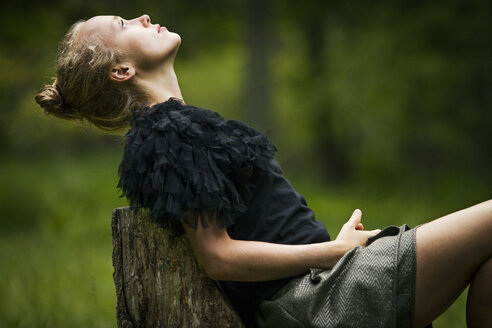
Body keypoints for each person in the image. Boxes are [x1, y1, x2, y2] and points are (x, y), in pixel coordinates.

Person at [35, 14, 491, 328]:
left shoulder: (179, 126)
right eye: (122, 24)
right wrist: (333, 252)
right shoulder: (167, 134)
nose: (142, 17)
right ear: (123, 70)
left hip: (326, 283)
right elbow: (218, 257)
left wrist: (331, 249)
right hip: (314, 304)